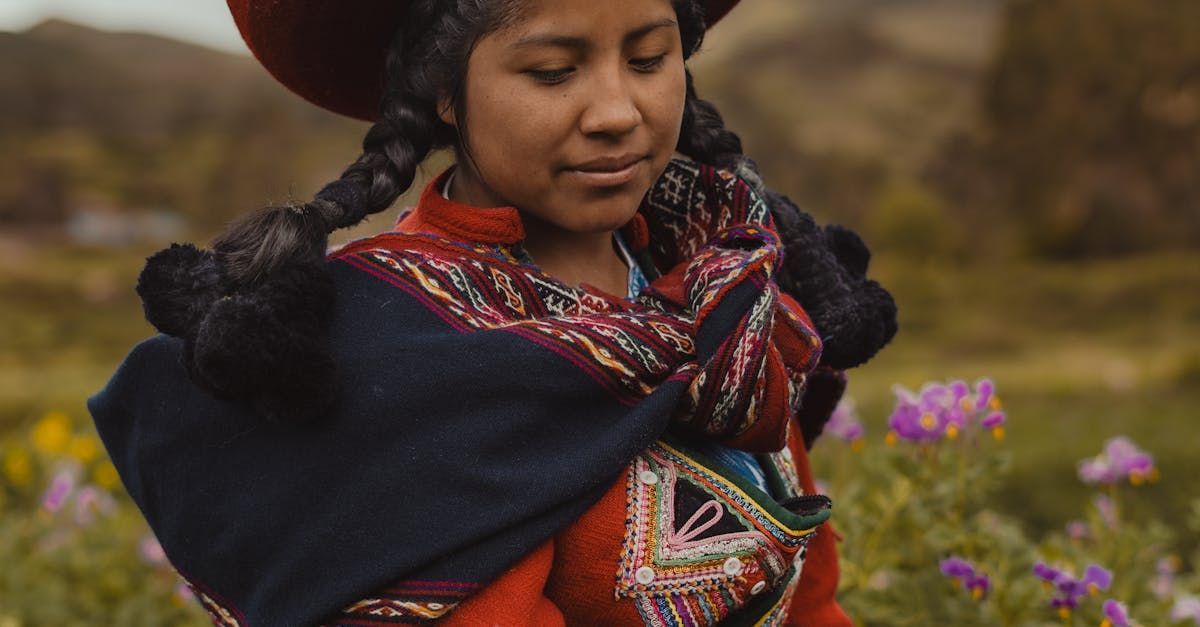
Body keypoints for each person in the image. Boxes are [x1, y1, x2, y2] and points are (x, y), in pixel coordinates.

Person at [89, 0, 897, 624]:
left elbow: (812, 595)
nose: (618, 110)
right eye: (553, 71)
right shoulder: (402, 353)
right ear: (443, 91)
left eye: (649, 58)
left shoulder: (726, 281)